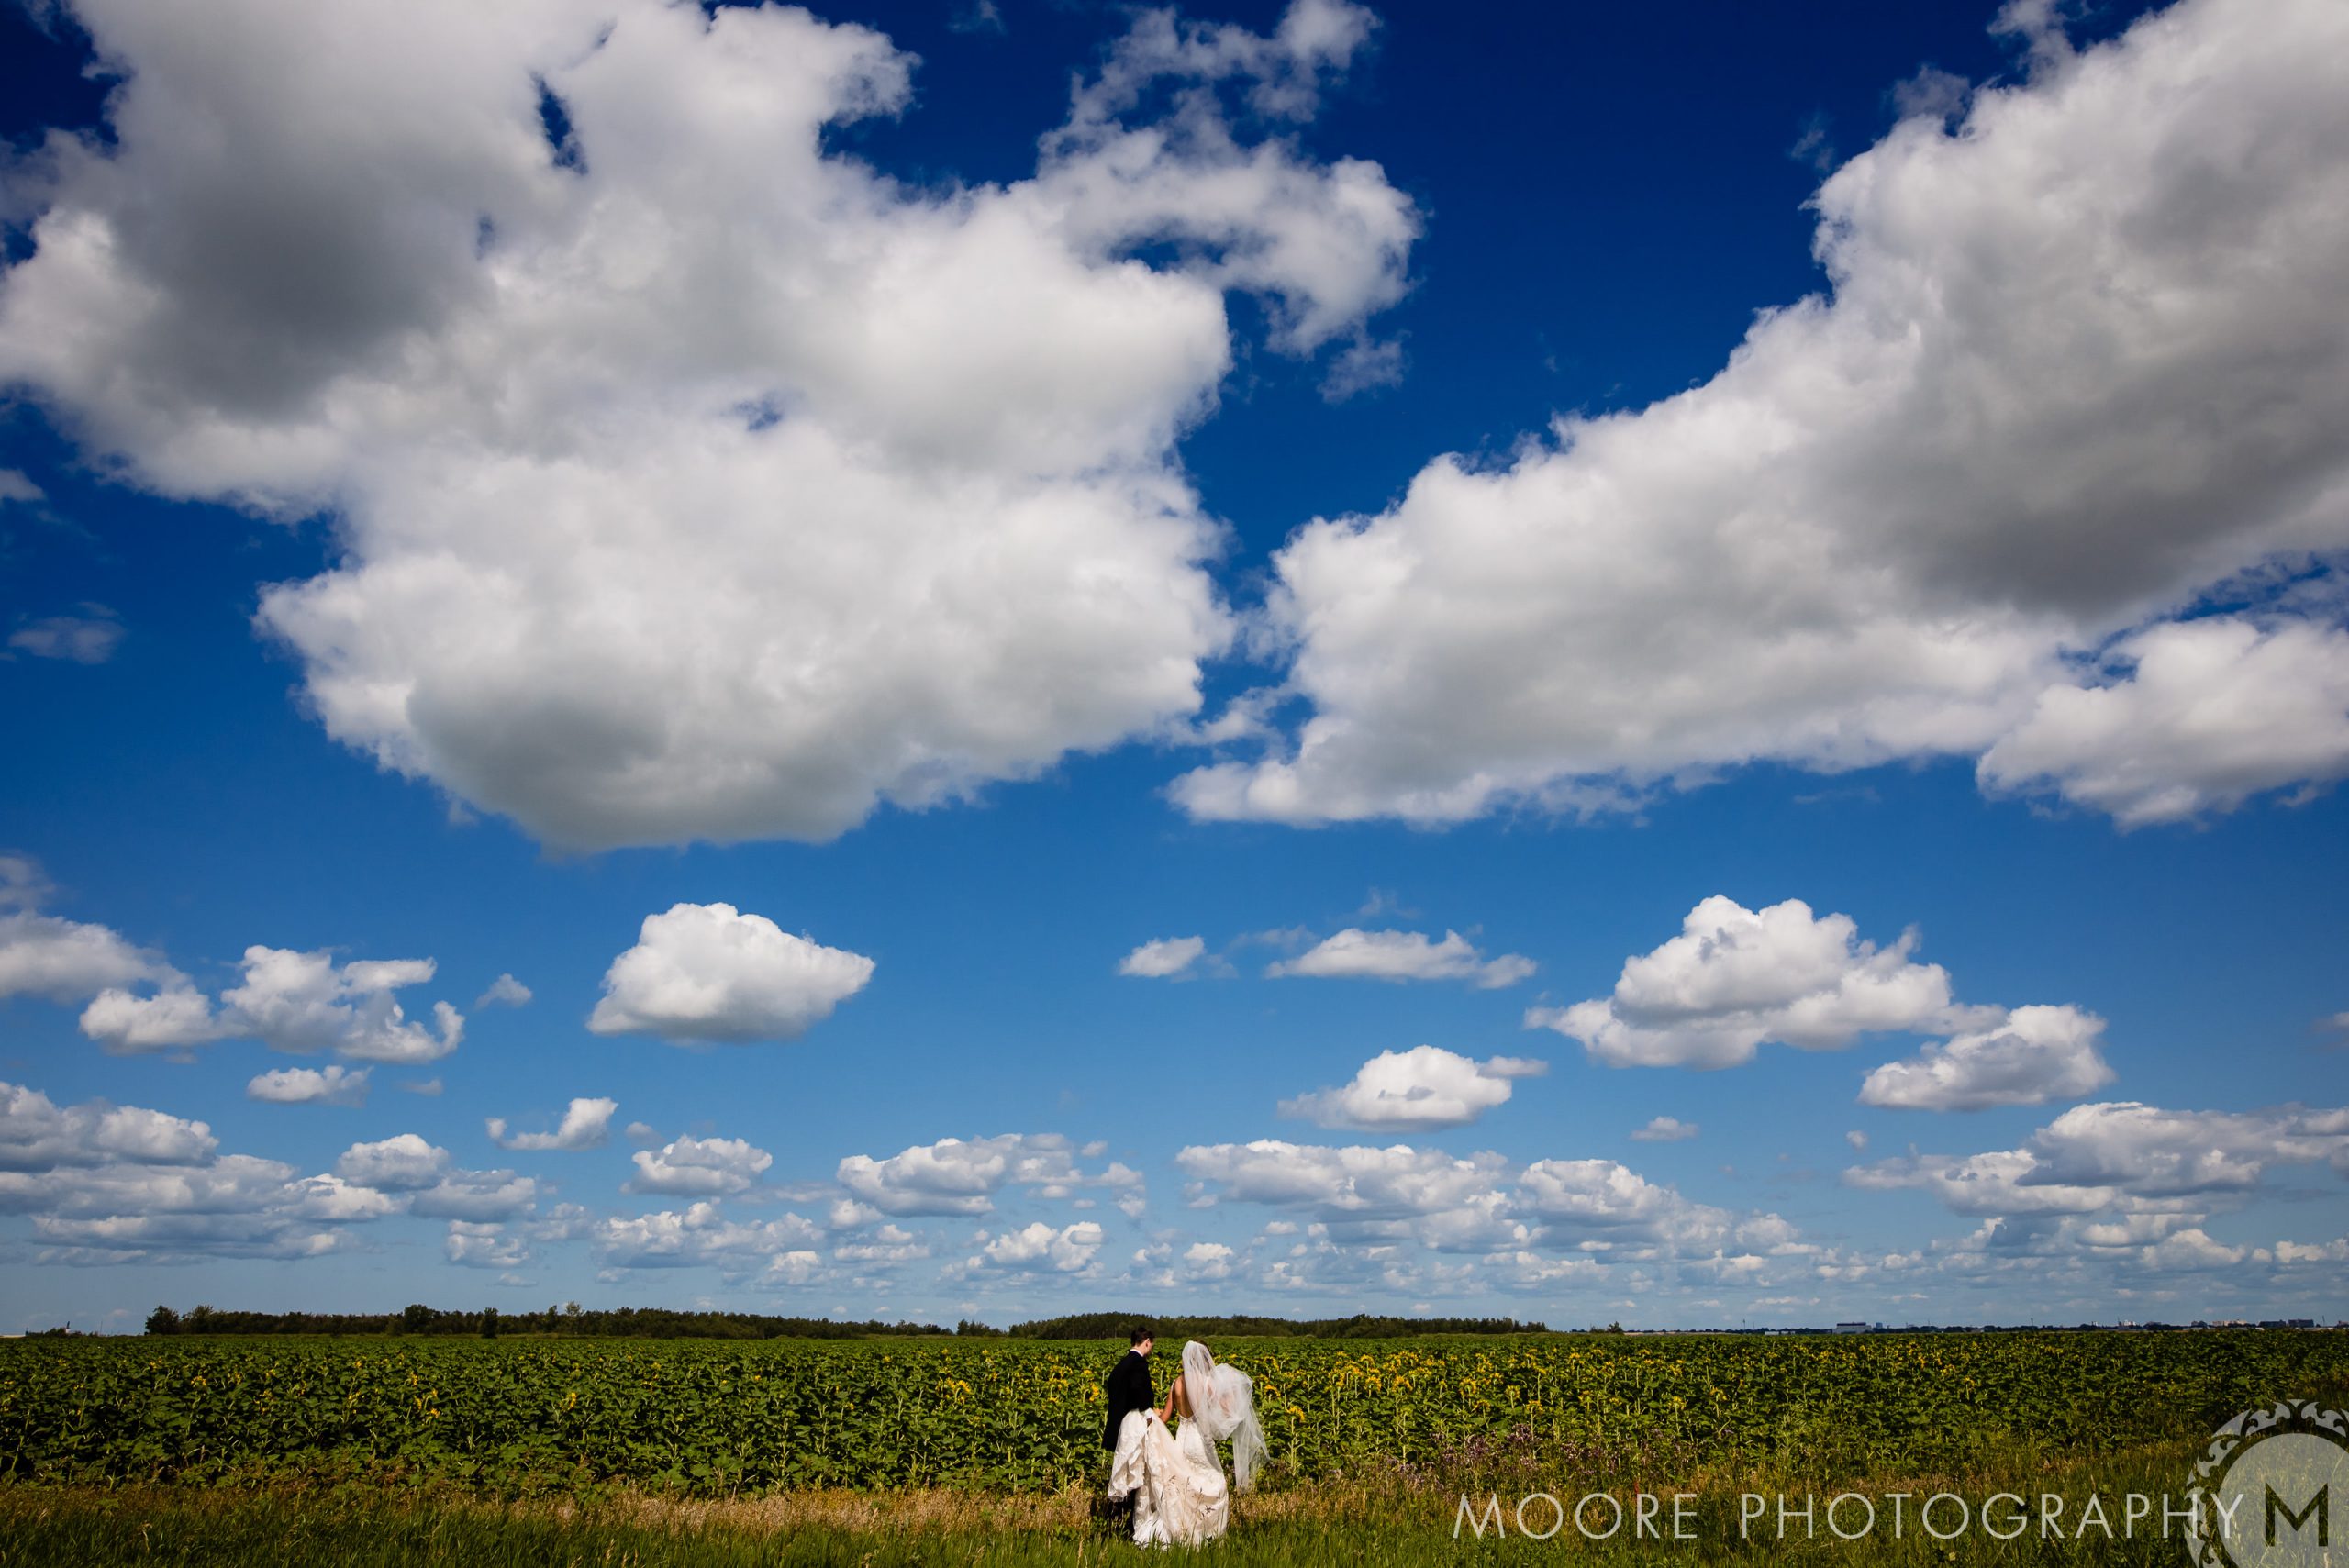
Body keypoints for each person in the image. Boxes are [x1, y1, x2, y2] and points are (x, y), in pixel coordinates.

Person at [1106, 1340, 1269, 1546]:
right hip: (1200, 1441)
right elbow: (1225, 1410)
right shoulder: (1208, 1384)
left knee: (1183, 1488)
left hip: (1181, 1440)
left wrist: (1147, 1416)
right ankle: (1206, 1534)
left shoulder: (1176, 1384)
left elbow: (1164, 1417)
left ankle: (1180, 1530)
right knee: (1216, 1485)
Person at [1100, 1325, 1155, 1526]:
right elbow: (1139, 1389)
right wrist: (1148, 1412)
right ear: (1147, 1342)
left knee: (1126, 1467)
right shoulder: (1138, 1364)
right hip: (1135, 1421)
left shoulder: (1121, 1364)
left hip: (1121, 1423)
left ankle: (1118, 1517)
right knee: (1138, 1467)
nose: (1150, 1350)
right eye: (1151, 1346)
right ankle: (1133, 1520)